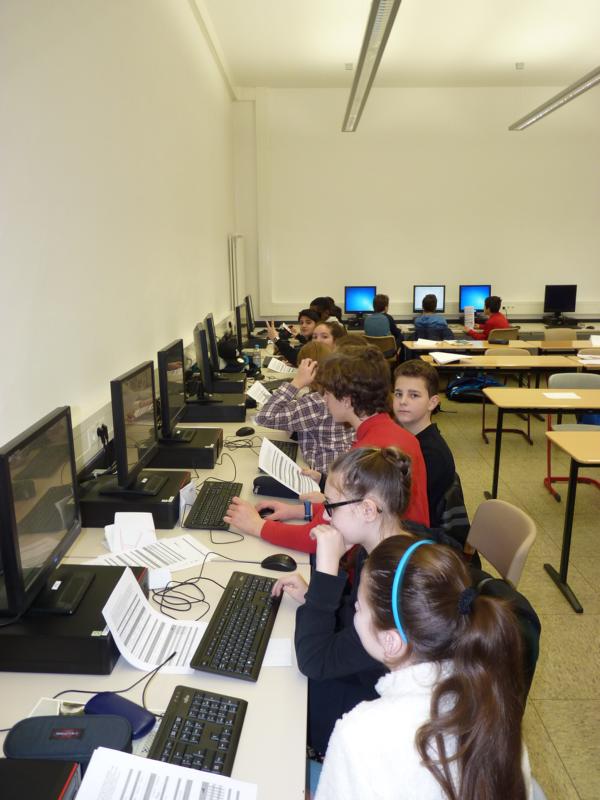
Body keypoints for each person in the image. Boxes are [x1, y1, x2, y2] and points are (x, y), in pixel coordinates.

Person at [314, 535, 533, 800]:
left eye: (359, 607)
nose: (355, 608)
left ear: (391, 642)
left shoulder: (359, 734)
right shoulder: (496, 712)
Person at [224, 347, 430, 551]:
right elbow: (353, 508)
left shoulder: (366, 456)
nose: (324, 399)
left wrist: (258, 526)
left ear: (346, 400)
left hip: (378, 558)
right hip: (407, 548)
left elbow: (317, 538)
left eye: (328, 393)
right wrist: (301, 510)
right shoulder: (400, 436)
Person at [254, 342, 354, 473]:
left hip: (326, 475)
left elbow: (264, 417)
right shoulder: (337, 392)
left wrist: (297, 382)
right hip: (344, 467)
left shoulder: (317, 402)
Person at [393, 360, 455, 527]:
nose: (403, 401)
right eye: (398, 394)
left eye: (413, 395)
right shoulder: (407, 439)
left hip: (419, 532)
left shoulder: (431, 453)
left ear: (432, 403)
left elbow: (405, 508)